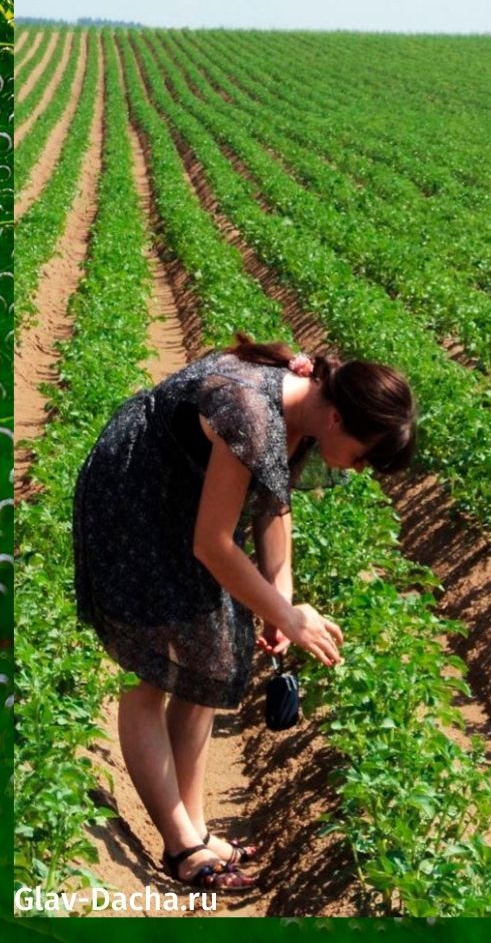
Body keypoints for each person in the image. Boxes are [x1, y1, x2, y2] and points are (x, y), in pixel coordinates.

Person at [73, 336, 417, 891]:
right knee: (156, 670)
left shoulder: (305, 405)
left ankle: (196, 828)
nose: (359, 469)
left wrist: (281, 599)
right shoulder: (253, 412)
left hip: (188, 495)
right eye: (362, 454)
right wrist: (289, 614)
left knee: (212, 657)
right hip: (138, 495)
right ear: (335, 418)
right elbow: (212, 544)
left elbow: (272, 505)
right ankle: (182, 844)